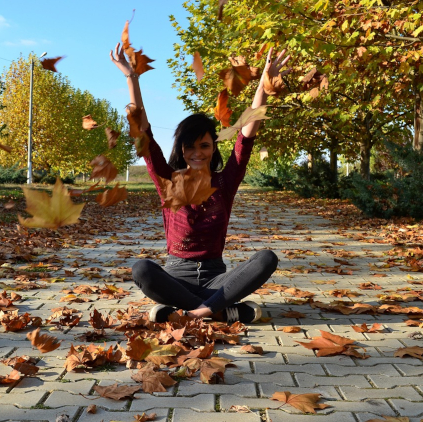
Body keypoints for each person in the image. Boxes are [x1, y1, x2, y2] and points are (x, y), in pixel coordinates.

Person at [110, 42, 291, 324]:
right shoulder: (168, 179)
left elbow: (247, 135)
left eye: (204, 145)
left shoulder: (225, 181)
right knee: (142, 269)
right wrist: (131, 77)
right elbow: (142, 129)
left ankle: (190, 313)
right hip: (175, 280)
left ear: (213, 148)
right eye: (190, 146)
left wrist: (264, 87)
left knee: (266, 258)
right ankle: (221, 311)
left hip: (218, 278)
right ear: (181, 150)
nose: (197, 153)